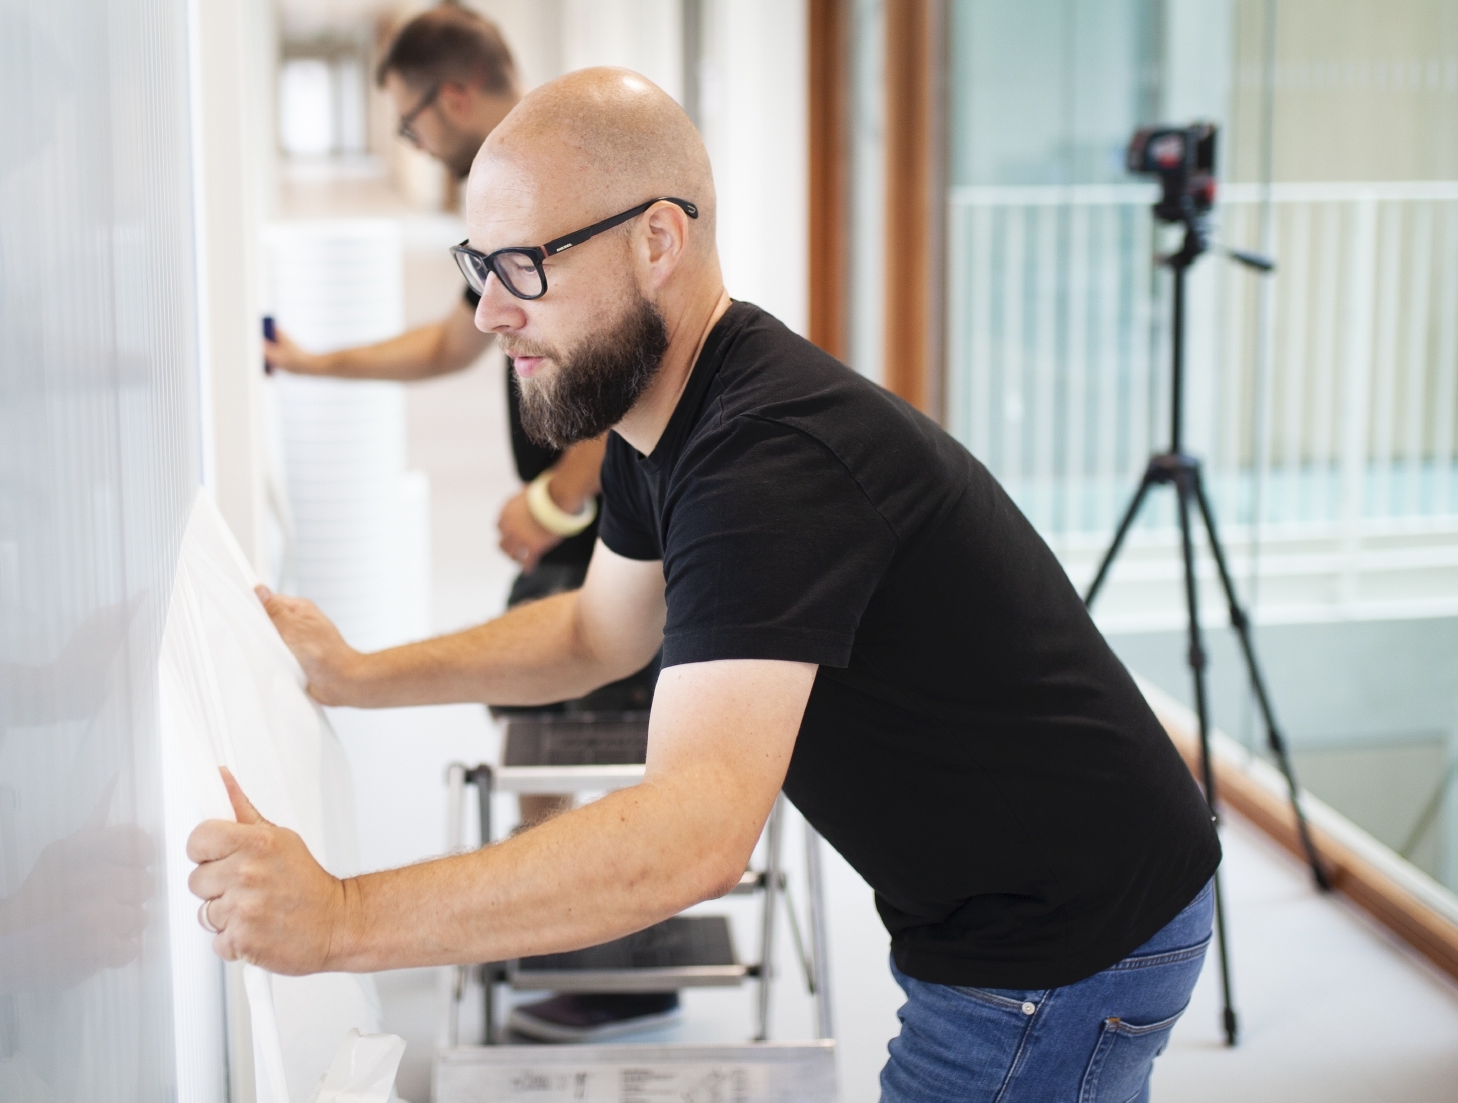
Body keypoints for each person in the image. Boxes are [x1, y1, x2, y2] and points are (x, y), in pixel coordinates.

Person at [195, 67, 1220, 1101]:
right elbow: (597, 634)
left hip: (1064, 935)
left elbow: (692, 836)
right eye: (477, 265)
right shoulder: (661, 417)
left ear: (656, 240)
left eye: (522, 265)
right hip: (1008, 903)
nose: (492, 312)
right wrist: (356, 673)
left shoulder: (768, 462)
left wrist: (337, 918)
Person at [265, 5, 669, 1041]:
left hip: (605, 524)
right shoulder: (502, 206)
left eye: (407, 122)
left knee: (554, 739)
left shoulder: (556, 192)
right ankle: (577, 938)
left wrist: (553, 498)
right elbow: (456, 340)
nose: (408, 143)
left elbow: (633, 359)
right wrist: (313, 363)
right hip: (570, 526)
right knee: (528, 725)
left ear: (451, 94)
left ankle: (610, 958)